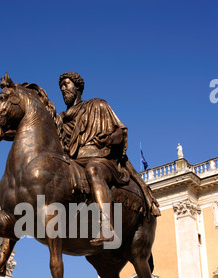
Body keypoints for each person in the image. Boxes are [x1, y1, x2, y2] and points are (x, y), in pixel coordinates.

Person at [56, 72, 160, 245]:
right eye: (61, 87)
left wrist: (109, 139)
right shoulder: (62, 118)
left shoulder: (98, 105)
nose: (63, 89)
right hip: (74, 161)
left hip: (101, 160)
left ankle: (108, 227)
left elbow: (120, 131)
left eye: (66, 84)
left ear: (77, 87)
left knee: (93, 170)